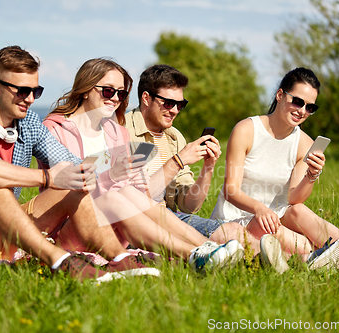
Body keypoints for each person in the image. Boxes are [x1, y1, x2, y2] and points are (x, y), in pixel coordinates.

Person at [0, 46, 160, 282]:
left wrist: (95, 172)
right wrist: (47, 178)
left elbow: (71, 163)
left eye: (36, 91)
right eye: (22, 91)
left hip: (0, 234)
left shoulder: (30, 123)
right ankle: (60, 261)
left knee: (72, 182)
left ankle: (119, 260)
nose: (31, 99)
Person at [39, 58, 244, 271]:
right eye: (108, 91)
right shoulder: (56, 129)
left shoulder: (116, 132)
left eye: (121, 93)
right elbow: (66, 186)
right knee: (115, 196)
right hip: (70, 225)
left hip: (116, 230)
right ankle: (194, 254)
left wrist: (135, 180)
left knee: (128, 192)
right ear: (85, 89)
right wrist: (113, 176)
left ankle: (206, 249)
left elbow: (141, 197)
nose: (116, 98)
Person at [124, 64, 310, 273]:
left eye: (180, 104)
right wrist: (178, 161)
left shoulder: (174, 136)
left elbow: (188, 205)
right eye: (168, 103)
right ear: (146, 98)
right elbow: (133, 198)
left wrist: (208, 168)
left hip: (173, 215)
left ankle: (293, 262)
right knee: (227, 236)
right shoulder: (123, 130)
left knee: (232, 231)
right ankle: (290, 263)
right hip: (139, 218)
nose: (175, 110)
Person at [211, 67, 339, 270]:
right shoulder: (247, 130)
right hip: (238, 220)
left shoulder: (304, 143)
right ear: (279, 95)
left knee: (298, 211)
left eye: (310, 107)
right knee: (269, 224)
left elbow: (294, 199)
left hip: (275, 220)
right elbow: (231, 191)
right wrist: (260, 208)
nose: (302, 111)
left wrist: (311, 176)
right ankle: (325, 254)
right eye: (298, 101)